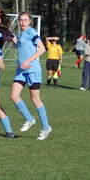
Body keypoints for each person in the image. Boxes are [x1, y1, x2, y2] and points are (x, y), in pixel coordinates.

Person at [10, 12, 53, 140]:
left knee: (35, 99)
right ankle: (29, 119)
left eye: (25, 20)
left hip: (32, 70)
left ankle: (46, 128)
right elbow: (22, 46)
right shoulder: (21, 34)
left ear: (29, 21)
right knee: (14, 96)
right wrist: (13, 39)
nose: (22, 22)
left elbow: (42, 49)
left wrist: (27, 61)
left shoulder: (31, 32)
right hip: (21, 70)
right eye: (21, 20)